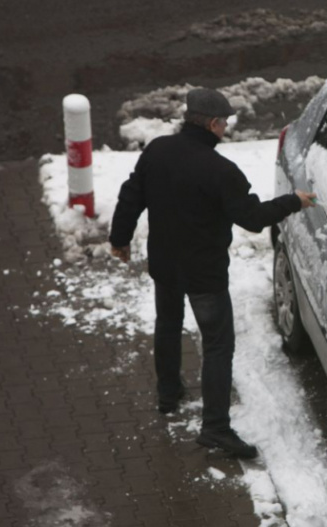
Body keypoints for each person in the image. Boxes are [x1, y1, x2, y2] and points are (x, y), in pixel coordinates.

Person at [109, 87, 315, 459]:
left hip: (165, 265)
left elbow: (131, 195)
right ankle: (216, 428)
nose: (226, 130)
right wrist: (293, 202)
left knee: (168, 326)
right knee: (218, 345)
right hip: (204, 275)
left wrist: (119, 239)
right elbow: (252, 219)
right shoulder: (221, 170)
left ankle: (168, 394)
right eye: (225, 124)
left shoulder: (158, 150)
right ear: (214, 123)